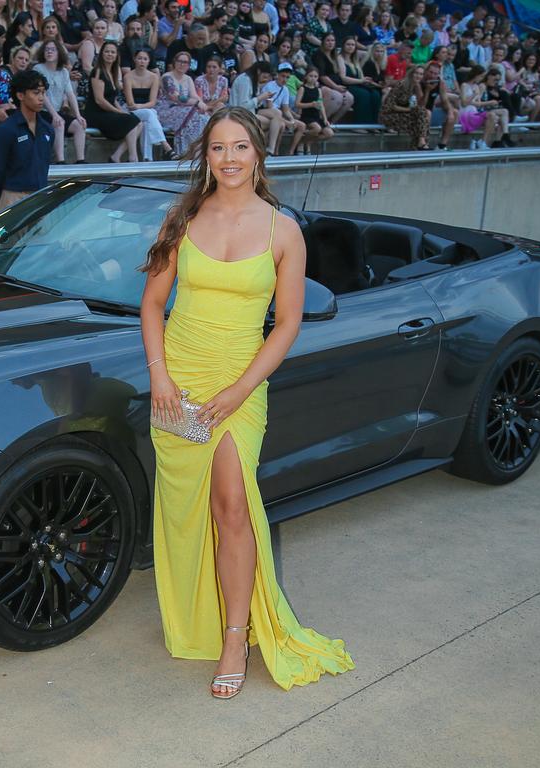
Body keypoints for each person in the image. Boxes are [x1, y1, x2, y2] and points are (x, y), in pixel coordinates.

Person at [140, 105, 354, 699]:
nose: (229, 159)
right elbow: (152, 305)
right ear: (204, 157)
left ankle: (236, 634)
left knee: (233, 502)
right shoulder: (181, 219)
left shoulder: (283, 230)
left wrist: (240, 389)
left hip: (241, 381)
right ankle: (197, 614)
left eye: (239, 147)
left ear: (259, 153)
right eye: (217, 148)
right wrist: (159, 378)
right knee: (190, 508)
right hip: (177, 381)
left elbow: (286, 324)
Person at [0, 68, 51, 211]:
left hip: (40, 196)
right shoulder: (6, 130)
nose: (41, 98)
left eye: (43, 92)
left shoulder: (48, 130)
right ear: (20, 95)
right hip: (12, 197)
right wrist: (2, 203)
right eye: (36, 92)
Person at [83, 39, 140, 162]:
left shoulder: (113, 72)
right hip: (96, 114)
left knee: (138, 123)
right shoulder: (98, 72)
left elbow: (113, 99)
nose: (110, 54)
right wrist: (118, 112)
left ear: (116, 55)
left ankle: (116, 156)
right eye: (107, 52)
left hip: (108, 112)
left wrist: (122, 111)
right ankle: (133, 158)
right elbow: (99, 100)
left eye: (113, 52)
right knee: (133, 122)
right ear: (102, 54)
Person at [33, 38, 87, 163]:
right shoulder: (38, 69)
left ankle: (81, 161)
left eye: (53, 49)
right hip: (41, 112)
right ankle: (60, 161)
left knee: (80, 125)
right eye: (47, 49)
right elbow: (42, 95)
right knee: (59, 123)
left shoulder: (63, 72)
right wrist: (55, 115)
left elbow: (70, 94)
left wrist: (78, 115)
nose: (49, 52)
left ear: (59, 53)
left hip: (56, 111)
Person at [124, 45, 177, 161]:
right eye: (139, 58)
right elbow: (130, 103)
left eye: (145, 59)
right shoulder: (128, 76)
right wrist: (138, 107)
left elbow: (152, 102)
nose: (142, 62)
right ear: (135, 59)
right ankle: (166, 147)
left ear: (149, 61)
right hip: (130, 111)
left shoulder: (153, 77)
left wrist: (140, 106)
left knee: (148, 120)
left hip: (146, 110)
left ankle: (147, 159)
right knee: (150, 114)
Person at [157, 49, 209, 156]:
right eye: (179, 61)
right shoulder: (167, 77)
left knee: (205, 118)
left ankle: (198, 150)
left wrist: (203, 105)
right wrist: (196, 103)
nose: (182, 64)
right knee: (193, 113)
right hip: (167, 111)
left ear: (189, 65)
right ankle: (186, 150)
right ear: (174, 62)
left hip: (184, 110)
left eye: (185, 62)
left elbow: (195, 96)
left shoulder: (188, 79)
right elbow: (174, 97)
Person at [379, 64, 431, 150]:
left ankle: (420, 144)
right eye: (416, 73)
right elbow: (391, 106)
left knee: (422, 115)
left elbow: (422, 105)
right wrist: (409, 110)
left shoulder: (416, 86)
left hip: (402, 114)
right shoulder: (402, 84)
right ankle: (421, 143)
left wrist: (428, 91)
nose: (418, 76)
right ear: (411, 74)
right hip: (389, 115)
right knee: (420, 118)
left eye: (421, 74)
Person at [258, 62, 305, 153]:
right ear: (277, 75)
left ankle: (290, 152)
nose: (285, 79)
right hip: (264, 110)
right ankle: (275, 151)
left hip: (276, 112)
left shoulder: (285, 89)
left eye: (287, 77)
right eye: (283, 76)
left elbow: (286, 109)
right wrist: (287, 122)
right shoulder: (270, 86)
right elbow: (270, 107)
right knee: (281, 124)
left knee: (301, 126)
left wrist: (292, 120)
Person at [294, 67, 334, 150]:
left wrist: (325, 119)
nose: (313, 78)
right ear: (306, 77)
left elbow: (321, 104)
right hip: (306, 116)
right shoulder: (302, 89)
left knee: (329, 133)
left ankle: (307, 142)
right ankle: (301, 142)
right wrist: (310, 105)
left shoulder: (318, 90)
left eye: (315, 76)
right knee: (317, 128)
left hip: (316, 116)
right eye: (311, 76)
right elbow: (297, 104)